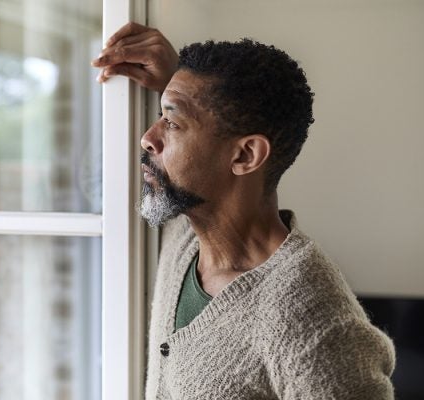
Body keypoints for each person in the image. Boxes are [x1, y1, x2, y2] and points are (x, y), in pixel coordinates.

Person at [92, 22, 396, 399]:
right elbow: (208, 124)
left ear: (244, 155)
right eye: (161, 116)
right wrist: (173, 82)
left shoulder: (312, 317)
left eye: (171, 122)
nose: (148, 138)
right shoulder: (190, 227)